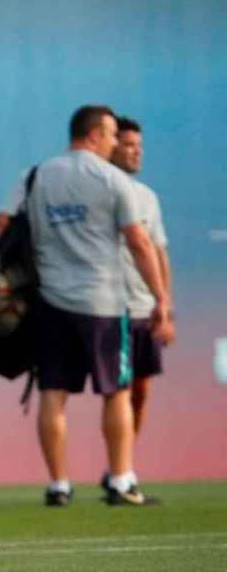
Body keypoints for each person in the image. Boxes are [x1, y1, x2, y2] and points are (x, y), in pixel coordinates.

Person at [0, 106, 172, 507]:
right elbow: (140, 244)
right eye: (111, 136)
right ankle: (121, 480)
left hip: (52, 304)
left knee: (53, 393)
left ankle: (59, 485)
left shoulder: (35, 176)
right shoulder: (112, 180)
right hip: (105, 304)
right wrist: (160, 298)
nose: (114, 143)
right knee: (117, 393)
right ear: (94, 135)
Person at [110, 116, 174, 439]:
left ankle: (122, 470)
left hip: (142, 309)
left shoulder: (148, 197)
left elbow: (159, 253)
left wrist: (165, 307)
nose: (137, 153)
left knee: (139, 391)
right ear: (110, 146)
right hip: (106, 308)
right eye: (129, 145)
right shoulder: (98, 191)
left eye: (139, 146)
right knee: (114, 392)